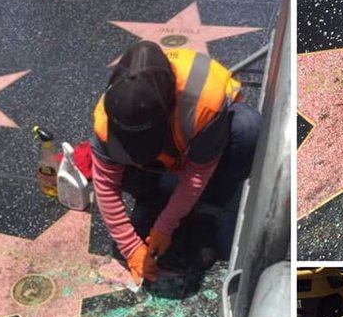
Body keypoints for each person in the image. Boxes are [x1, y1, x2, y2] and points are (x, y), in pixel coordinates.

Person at [90, 40, 262, 285]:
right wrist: (130, 248)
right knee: (124, 164)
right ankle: (151, 199)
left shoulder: (203, 101)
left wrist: (165, 226)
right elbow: (105, 184)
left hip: (201, 145)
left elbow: (197, 173)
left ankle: (205, 213)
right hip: (170, 148)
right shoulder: (110, 113)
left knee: (248, 130)